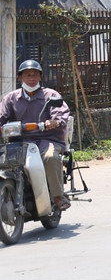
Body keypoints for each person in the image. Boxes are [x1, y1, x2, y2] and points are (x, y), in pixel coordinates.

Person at [0, 59, 72, 212]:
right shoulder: (11, 98)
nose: (31, 78)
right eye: (27, 75)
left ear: (40, 77)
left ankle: (58, 196)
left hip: (47, 139)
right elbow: (1, 116)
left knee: (50, 157)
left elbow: (61, 114)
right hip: (19, 142)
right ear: (20, 78)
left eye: (35, 75)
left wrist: (55, 122)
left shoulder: (50, 95)